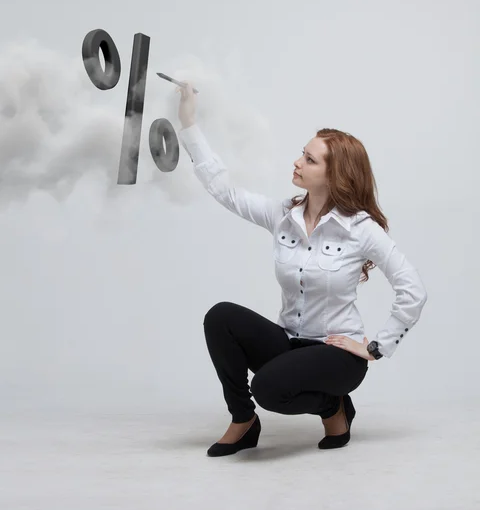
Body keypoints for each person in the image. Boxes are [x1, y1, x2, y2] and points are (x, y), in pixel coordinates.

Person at [175, 81, 428, 457]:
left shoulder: (361, 230)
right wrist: (189, 124)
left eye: (310, 160)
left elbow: (413, 290)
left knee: (268, 388)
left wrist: (376, 347)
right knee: (221, 317)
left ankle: (333, 406)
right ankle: (243, 420)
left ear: (335, 175)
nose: (297, 162)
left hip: (336, 353)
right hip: (289, 342)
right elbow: (225, 191)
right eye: (302, 154)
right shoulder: (283, 216)